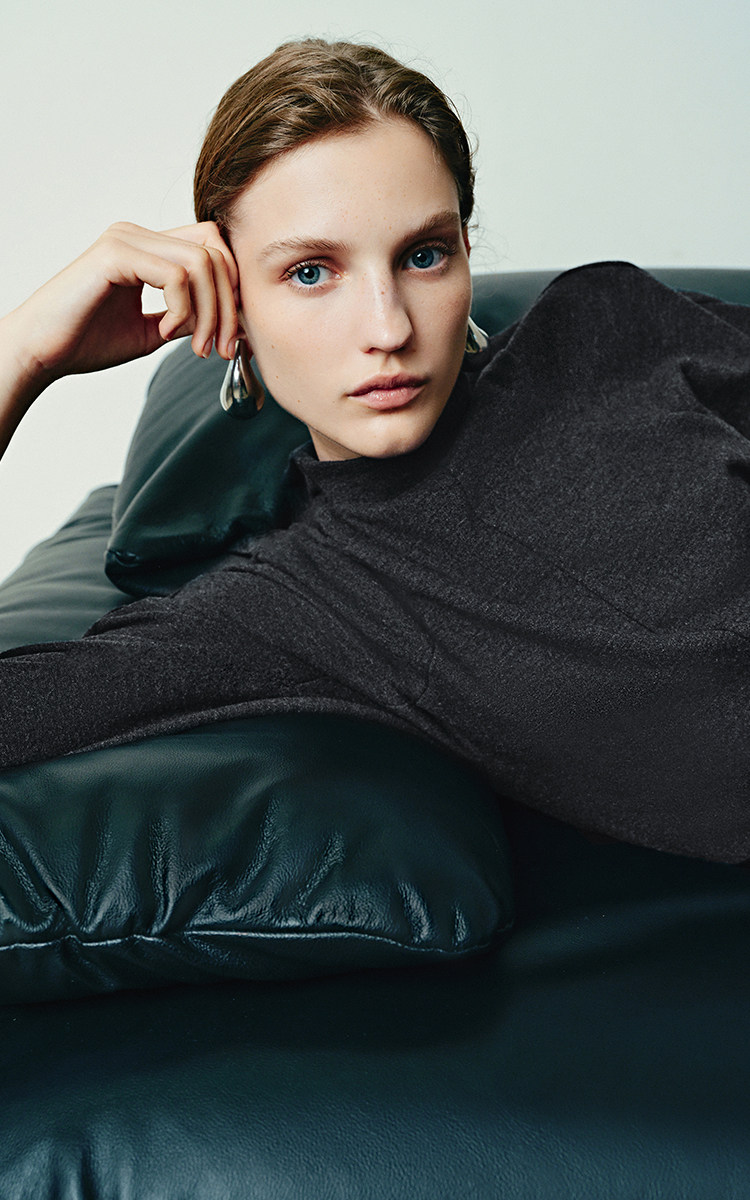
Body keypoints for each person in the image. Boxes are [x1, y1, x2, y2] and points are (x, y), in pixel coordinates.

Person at [1, 39, 750, 863]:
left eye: (424, 256)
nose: (389, 327)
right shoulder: (298, 607)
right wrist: (24, 352)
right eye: (312, 272)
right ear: (232, 302)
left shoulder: (602, 327)